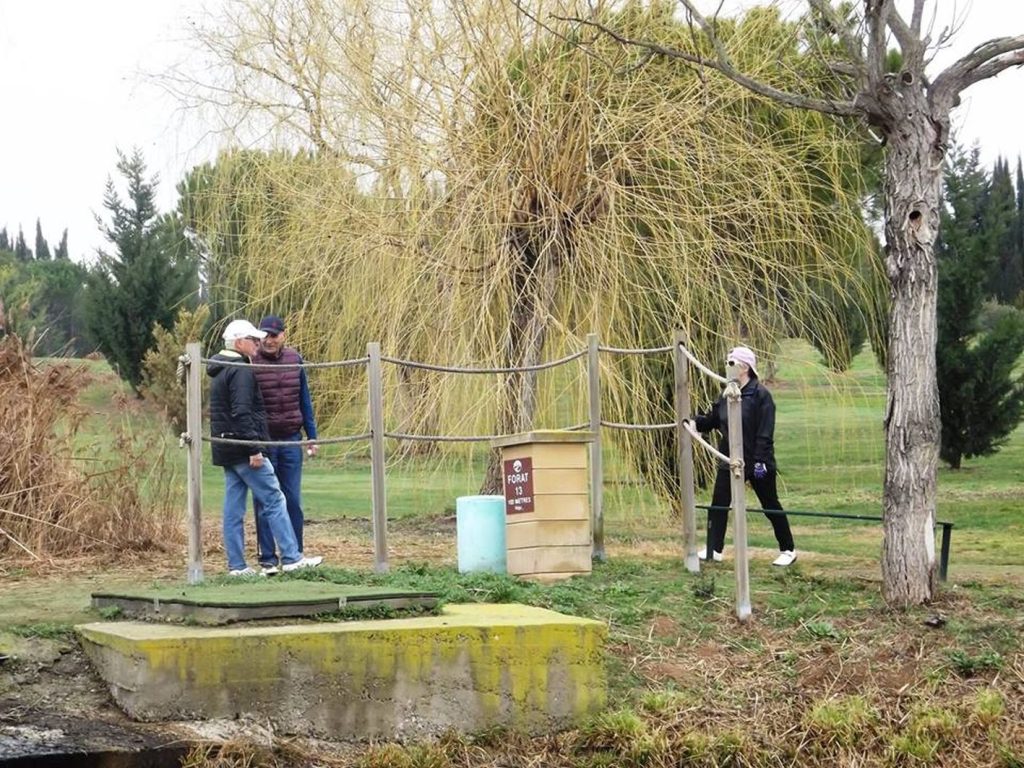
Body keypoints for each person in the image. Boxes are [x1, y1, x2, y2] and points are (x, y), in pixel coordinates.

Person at [208, 318, 323, 576]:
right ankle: (291, 558)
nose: (258, 343)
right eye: (252, 339)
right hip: (244, 448)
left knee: (234, 508)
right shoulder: (242, 370)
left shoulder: (220, 367)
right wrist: (254, 448)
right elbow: (242, 413)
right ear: (239, 342)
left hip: (226, 447)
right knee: (274, 498)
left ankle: (237, 566)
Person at [689, 345, 797, 566]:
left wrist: (759, 464)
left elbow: (765, 434)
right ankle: (714, 549)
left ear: (745, 367)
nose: (726, 367)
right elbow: (713, 420)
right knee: (719, 504)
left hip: (758, 463)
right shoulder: (727, 393)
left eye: (731, 363)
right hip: (729, 461)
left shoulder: (761, 396)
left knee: (770, 503)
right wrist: (694, 421)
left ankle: (788, 549)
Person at [251, 314, 319, 573]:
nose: (269, 340)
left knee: (292, 499)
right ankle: (267, 557)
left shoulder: (295, 359)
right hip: (265, 441)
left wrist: (311, 435)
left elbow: (304, 399)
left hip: (291, 438)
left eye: (274, 335)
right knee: (265, 500)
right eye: (265, 335)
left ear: (283, 336)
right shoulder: (252, 362)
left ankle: (295, 554)